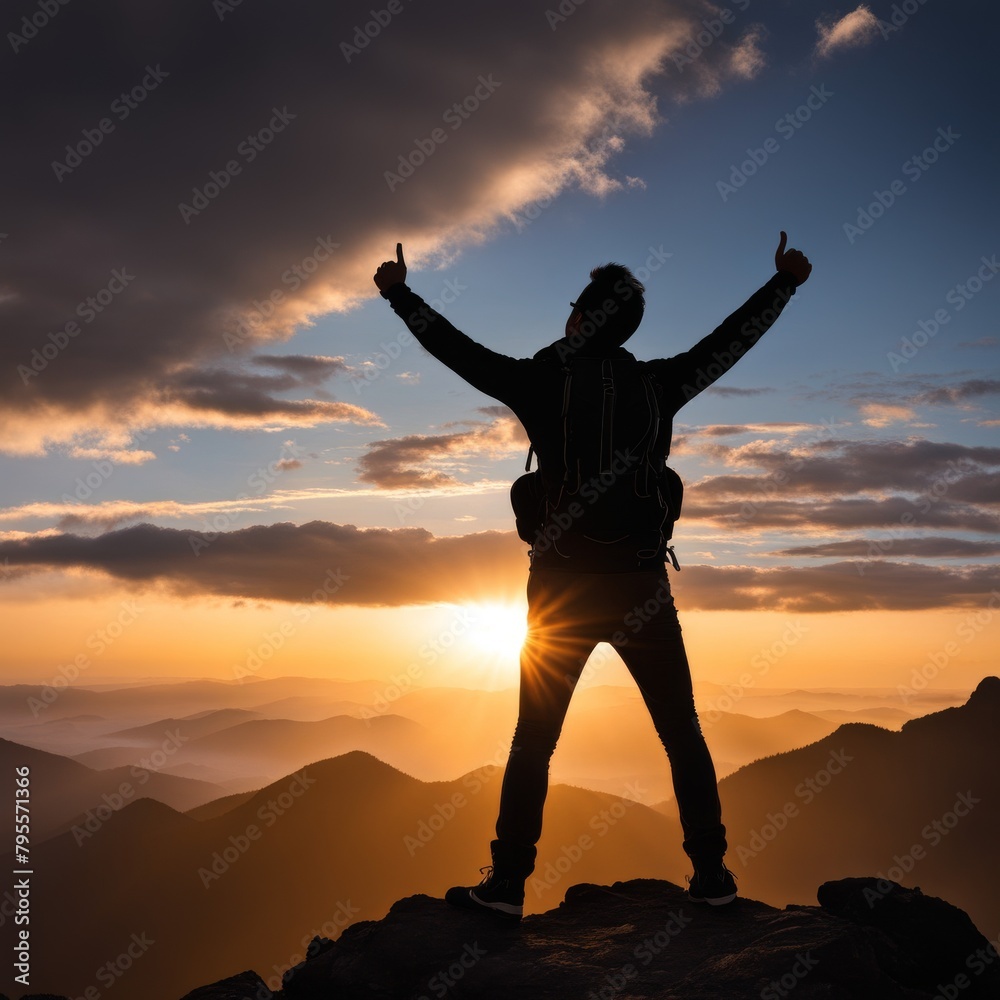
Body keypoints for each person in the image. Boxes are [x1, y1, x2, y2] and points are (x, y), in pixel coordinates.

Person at [373, 233, 812, 920]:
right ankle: (714, 878)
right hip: (642, 588)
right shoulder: (659, 386)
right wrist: (782, 283)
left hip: (560, 590)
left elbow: (455, 350)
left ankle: (509, 886)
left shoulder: (540, 380)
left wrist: (400, 295)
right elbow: (731, 343)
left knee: (533, 741)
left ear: (580, 319)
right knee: (682, 734)